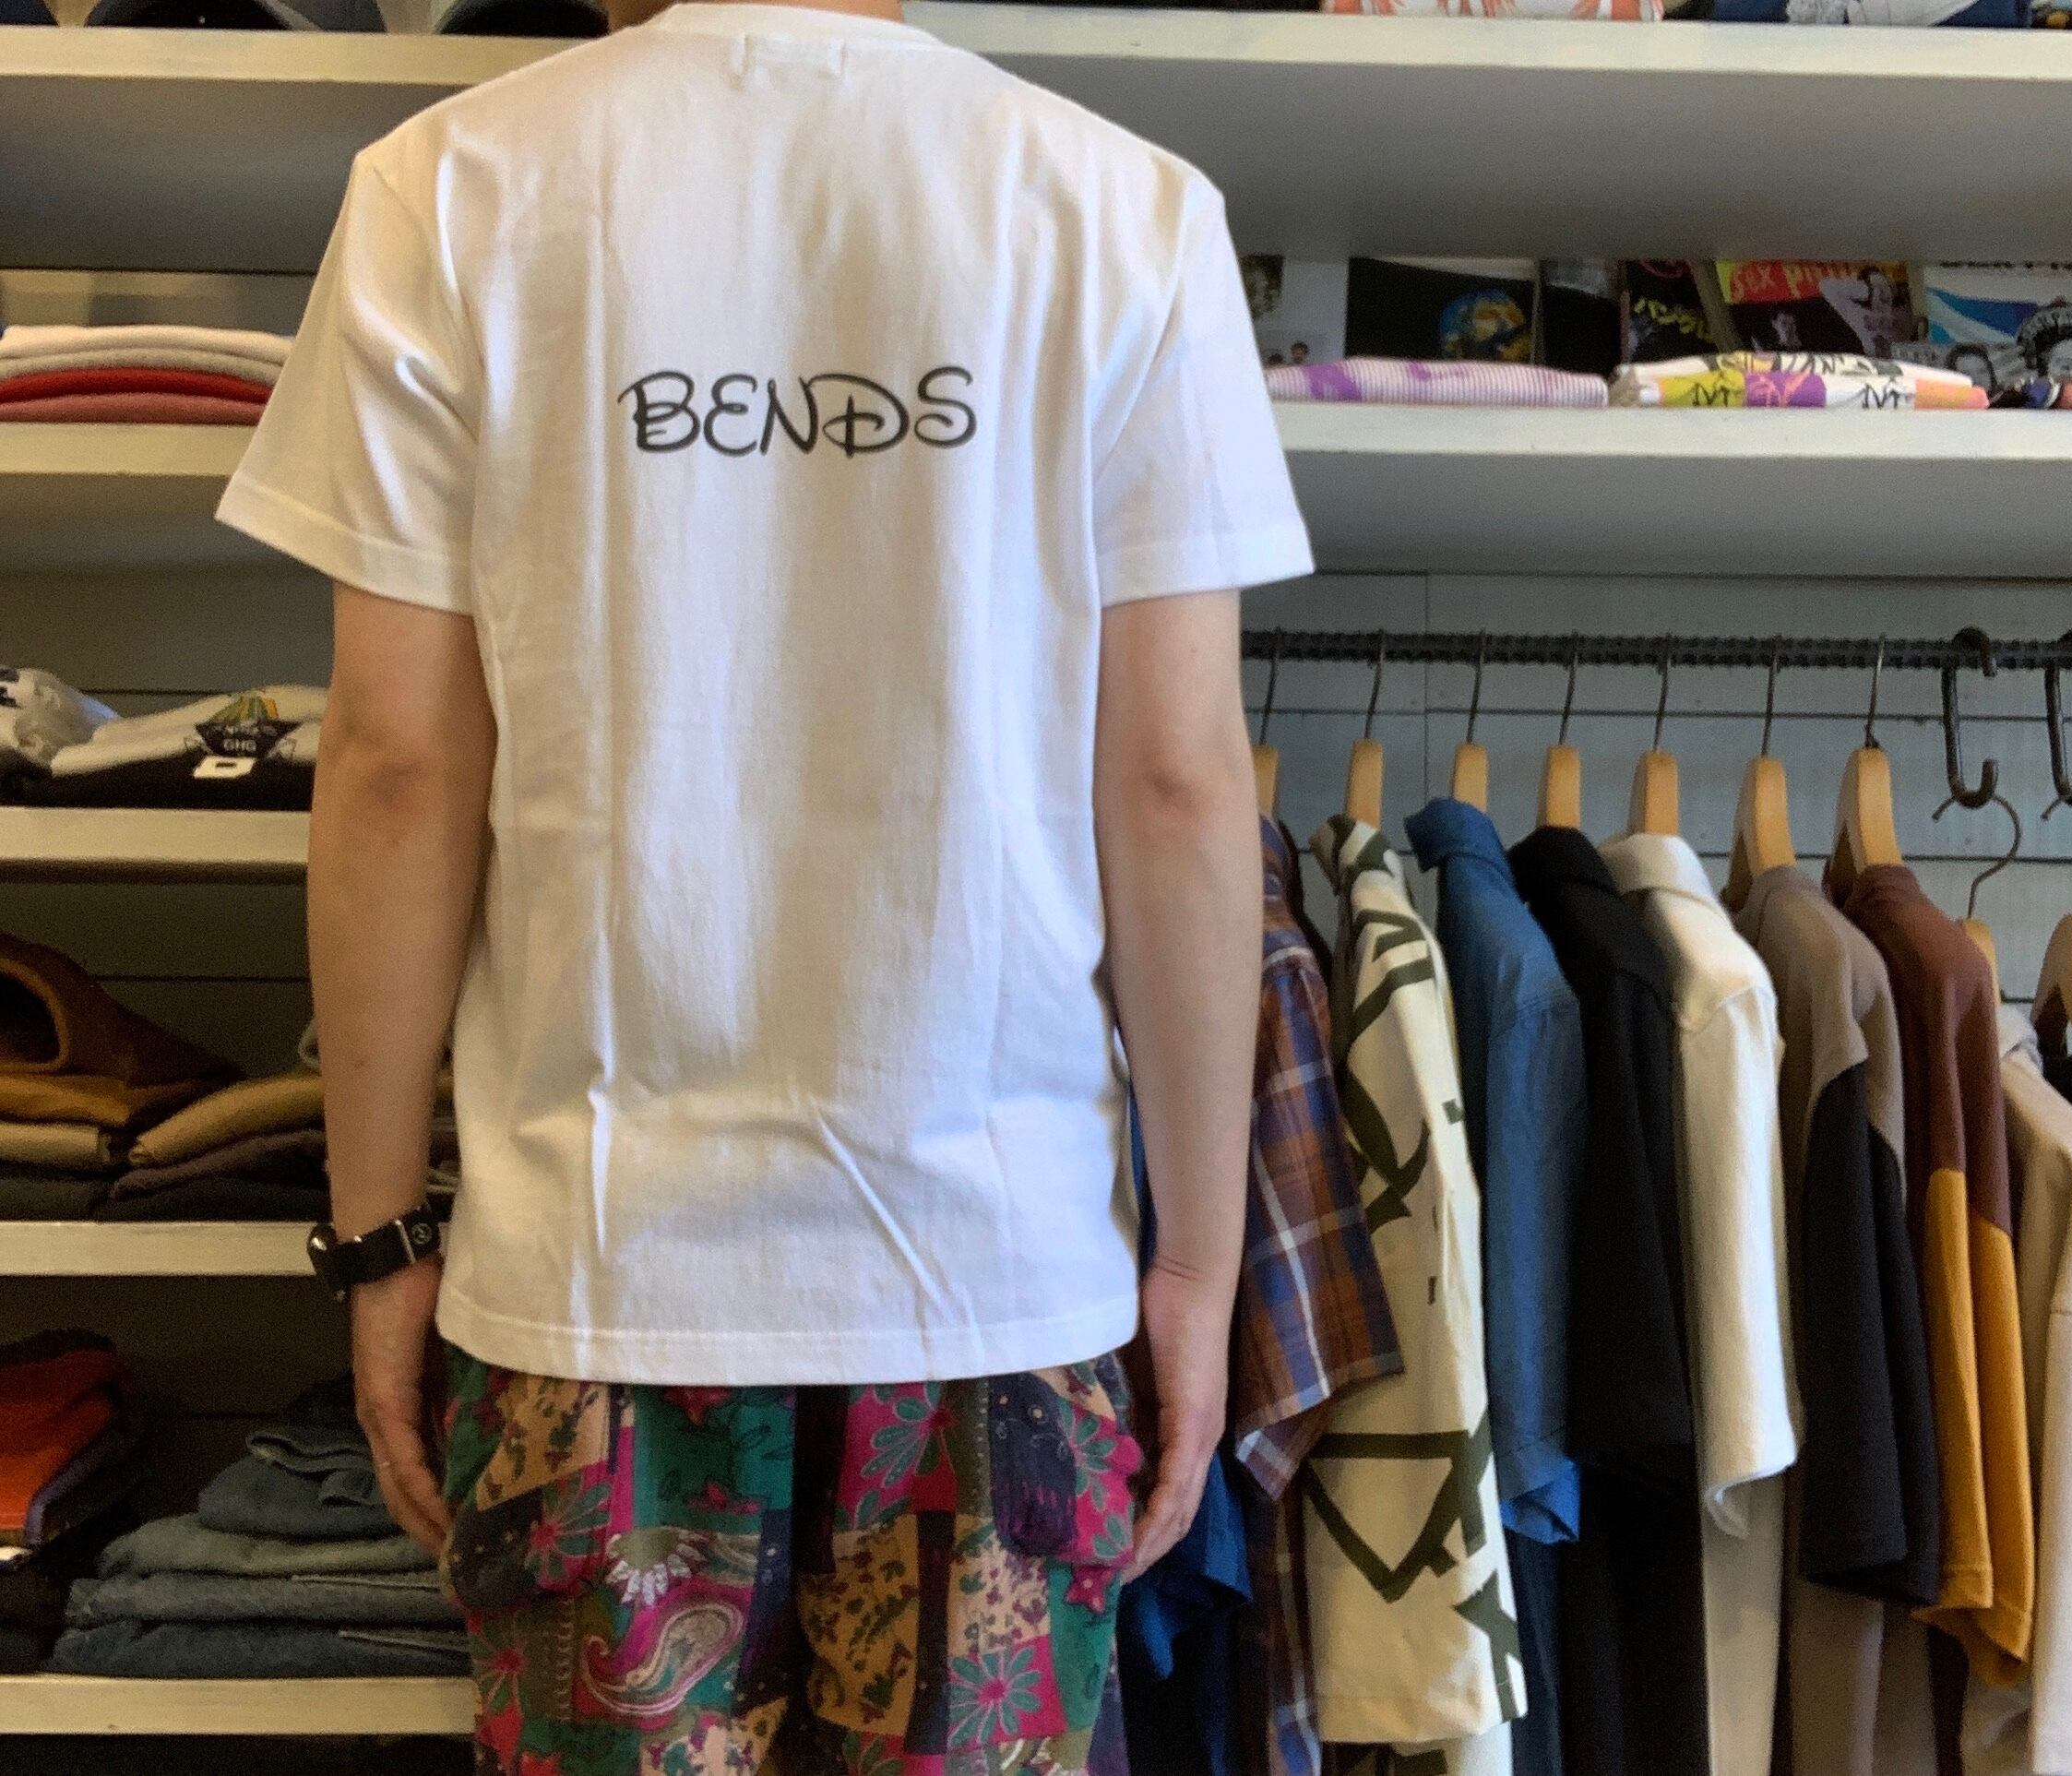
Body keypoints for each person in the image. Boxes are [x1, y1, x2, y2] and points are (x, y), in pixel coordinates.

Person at [215, 0, 1312, 1768]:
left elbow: (400, 763)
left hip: (595, 1288)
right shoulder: (1122, 214)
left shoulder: (452, 188)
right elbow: (1178, 786)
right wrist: (1196, 1258)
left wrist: (379, 1232)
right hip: (996, 1287)